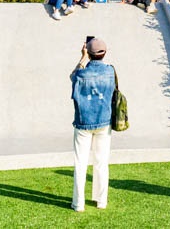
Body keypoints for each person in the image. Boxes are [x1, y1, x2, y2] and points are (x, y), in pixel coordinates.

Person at [70, 37, 116, 212]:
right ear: (104, 53)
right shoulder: (110, 71)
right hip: (104, 121)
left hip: (83, 122)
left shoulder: (81, 74)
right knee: (101, 162)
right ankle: (101, 201)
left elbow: (72, 77)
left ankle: (78, 203)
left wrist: (82, 58)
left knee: (80, 163)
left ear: (88, 52)